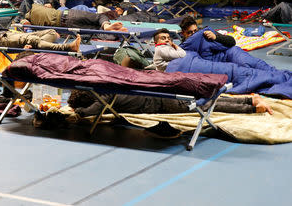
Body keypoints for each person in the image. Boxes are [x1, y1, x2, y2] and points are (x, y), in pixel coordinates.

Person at [68, 90, 273, 117]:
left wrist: (75, 110)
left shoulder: (103, 99)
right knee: (206, 101)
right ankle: (248, 99)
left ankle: (252, 107)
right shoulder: (107, 90)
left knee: (206, 107)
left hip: (163, 104)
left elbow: (85, 113)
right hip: (161, 93)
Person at [24, 3, 128, 31]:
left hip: (64, 26)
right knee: (98, 18)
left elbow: (25, 24)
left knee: (95, 31)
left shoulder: (33, 23)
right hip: (69, 14)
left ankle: (108, 30)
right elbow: (48, 5)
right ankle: (106, 25)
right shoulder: (35, 6)